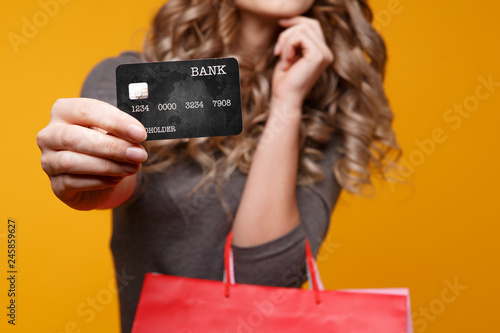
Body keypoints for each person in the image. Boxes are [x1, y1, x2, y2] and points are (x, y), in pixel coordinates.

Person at [37, 0, 400, 332]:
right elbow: (110, 183)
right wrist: (86, 176)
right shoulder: (131, 77)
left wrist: (287, 101)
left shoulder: (328, 119)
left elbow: (263, 282)